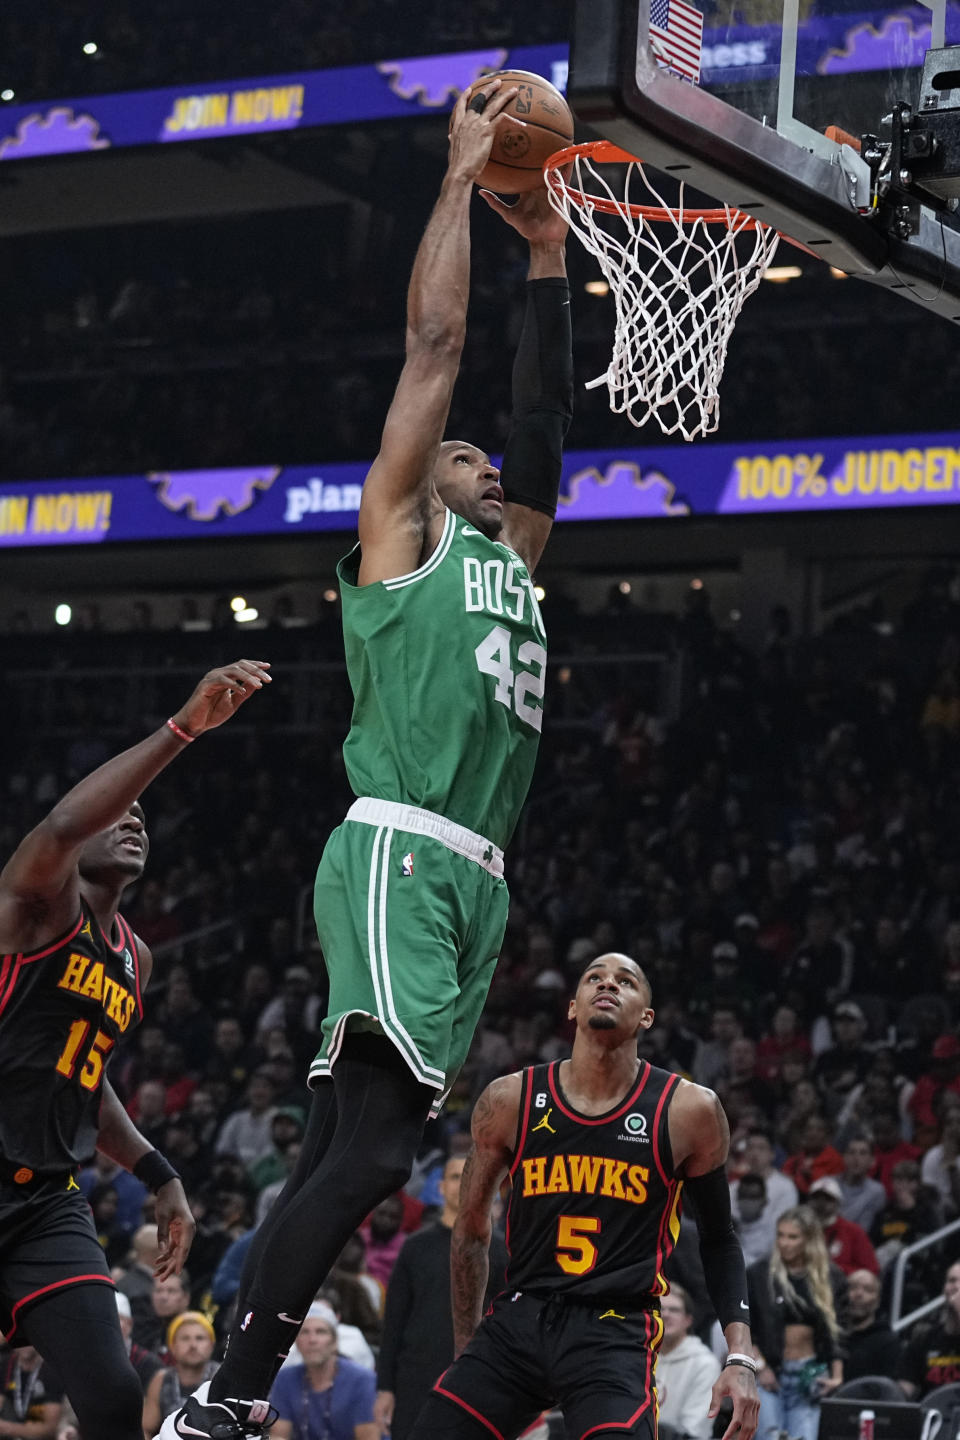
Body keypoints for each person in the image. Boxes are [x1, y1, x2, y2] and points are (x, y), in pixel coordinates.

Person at [169, 76, 574, 1440]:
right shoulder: (404, 535)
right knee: (385, 1153)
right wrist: (461, 180)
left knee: (347, 1156)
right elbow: (437, 351)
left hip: (473, 884)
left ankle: (217, 1401)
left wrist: (553, 253)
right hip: (401, 845)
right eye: (452, 454)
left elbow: (541, 425)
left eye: (476, 457)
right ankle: (226, 1394)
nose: (468, 454)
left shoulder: (516, 556)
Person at [0, 658, 270, 1440]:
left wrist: (160, 1173)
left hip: (47, 1202)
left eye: (144, 822)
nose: (133, 822)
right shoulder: (32, 907)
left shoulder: (135, 958)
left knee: (117, 1403)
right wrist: (182, 730)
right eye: (119, 815)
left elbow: (85, 1076)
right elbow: (59, 827)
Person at [411, 952, 760, 1440]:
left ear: (646, 1016)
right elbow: (469, 1229)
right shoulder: (510, 1099)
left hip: (615, 1328)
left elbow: (720, 1240)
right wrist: (468, 1348)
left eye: (626, 981)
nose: (608, 984)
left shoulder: (689, 1110)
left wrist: (740, 1355)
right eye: (594, 977)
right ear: (573, 1007)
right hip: (520, 1316)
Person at [375, 1155, 507, 1440]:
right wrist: (385, 1387)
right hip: (415, 1379)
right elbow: (394, 1321)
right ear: (441, 1187)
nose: (463, 1185)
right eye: (456, 1177)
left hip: (476, 1379)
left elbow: (508, 1325)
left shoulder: (500, 1252)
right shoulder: (414, 1248)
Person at [747, 1206, 846, 1440]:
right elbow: (746, 1328)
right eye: (780, 1235)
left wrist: (837, 1375)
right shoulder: (759, 1274)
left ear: (809, 1240)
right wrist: (760, 1367)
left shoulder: (832, 1276)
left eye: (793, 1237)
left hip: (809, 1376)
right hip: (770, 1372)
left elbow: (839, 1331)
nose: (784, 1243)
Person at [270, 1302, 378, 1440]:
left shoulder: (363, 1379)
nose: (312, 1340)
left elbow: (369, 1437)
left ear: (334, 1342)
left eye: (320, 1332)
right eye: (304, 1332)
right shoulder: (285, 1378)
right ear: (296, 1342)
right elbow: (279, 1435)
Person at [657, 1284, 722, 1439]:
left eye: (674, 1310)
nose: (665, 1314)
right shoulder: (640, 1357)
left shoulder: (705, 1364)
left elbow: (694, 1429)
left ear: (687, 1320)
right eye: (660, 1309)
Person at [143, 1312, 220, 1438]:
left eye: (200, 1338)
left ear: (211, 1345)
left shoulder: (221, 1377)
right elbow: (146, 1429)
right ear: (172, 1346)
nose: (193, 1345)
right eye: (185, 1338)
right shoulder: (161, 1380)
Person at [900, 1259, 960, 1397]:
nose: (957, 1286)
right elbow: (903, 1391)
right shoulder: (923, 1339)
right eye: (952, 1280)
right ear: (944, 1288)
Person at [808, 1175, 879, 1275]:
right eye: (816, 1198)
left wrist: (838, 1270)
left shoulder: (853, 1232)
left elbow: (871, 1270)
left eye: (827, 1199)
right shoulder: (800, 1230)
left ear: (838, 1203)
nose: (821, 1204)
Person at [843, 1268, 901, 1381]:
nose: (859, 1294)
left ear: (878, 1301)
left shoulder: (888, 1342)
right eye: (852, 1287)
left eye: (868, 1290)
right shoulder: (831, 1337)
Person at [0, 1346, 63, 1437]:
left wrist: (7, 1428)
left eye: (27, 1340)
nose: (23, 1345)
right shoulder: (7, 1363)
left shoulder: (50, 1369)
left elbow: (49, 1428)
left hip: (38, 1430)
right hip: (13, 1423)